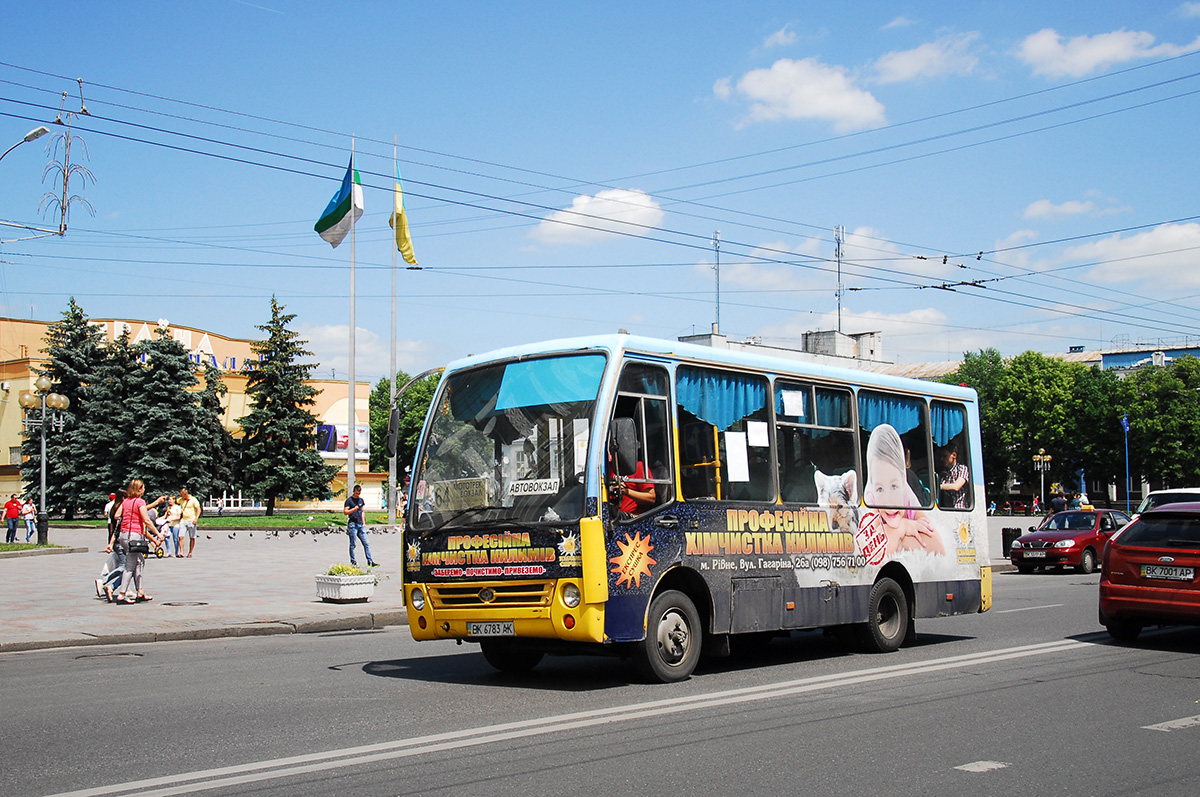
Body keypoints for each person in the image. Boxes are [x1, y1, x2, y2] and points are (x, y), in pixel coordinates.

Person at [864, 424, 944, 557]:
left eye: (894, 487)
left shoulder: (908, 499)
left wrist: (893, 537)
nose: (889, 502)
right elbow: (873, 555)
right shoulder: (870, 501)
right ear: (872, 487)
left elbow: (938, 548)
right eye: (880, 489)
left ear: (903, 480)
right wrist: (901, 528)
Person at [112, 478, 164, 604]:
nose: (144, 489)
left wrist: (128, 516)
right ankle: (122, 594)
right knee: (130, 565)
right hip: (134, 536)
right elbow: (146, 520)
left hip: (123, 535)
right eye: (143, 487)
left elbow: (116, 515)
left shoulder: (126, 502)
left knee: (140, 561)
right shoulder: (140, 502)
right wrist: (157, 534)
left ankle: (140, 591)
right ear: (139, 489)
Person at [344, 484, 377, 567]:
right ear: (353, 491)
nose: (358, 495)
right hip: (352, 524)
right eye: (356, 493)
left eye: (359, 493)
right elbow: (345, 512)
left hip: (360, 524)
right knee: (353, 544)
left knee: (366, 543)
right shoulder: (349, 500)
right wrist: (353, 509)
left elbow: (362, 511)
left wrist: (364, 522)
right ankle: (353, 561)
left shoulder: (361, 500)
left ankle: (370, 561)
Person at [938, 443, 970, 509]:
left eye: (945, 456)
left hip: (960, 509)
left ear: (954, 455)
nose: (942, 459)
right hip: (946, 509)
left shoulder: (962, 469)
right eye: (941, 456)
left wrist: (938, 487)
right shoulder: (943, 473)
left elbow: (956, 486)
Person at [178, 487, 202, 558]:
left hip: (191, 520)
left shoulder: (193, 499)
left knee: (192, 537)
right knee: (180, 536)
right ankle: (181, 552)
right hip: (183, 520)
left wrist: (196, 518)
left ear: (185, 494)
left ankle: (190, 552)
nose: (181, 497)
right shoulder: (181, 500)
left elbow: (198, 509)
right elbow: (175, 501)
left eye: (182, 495)